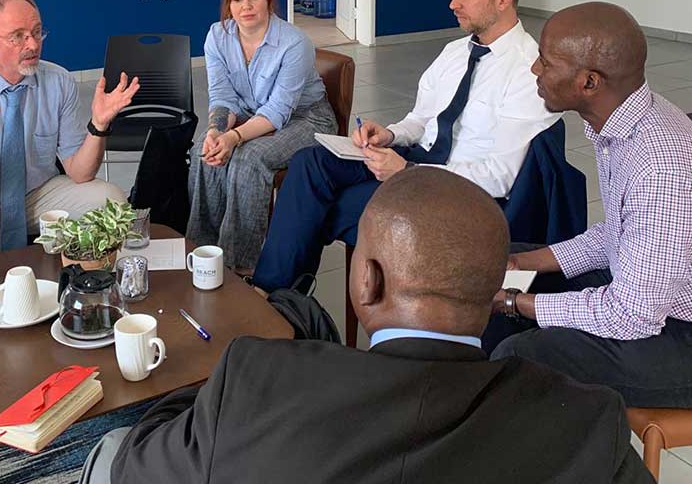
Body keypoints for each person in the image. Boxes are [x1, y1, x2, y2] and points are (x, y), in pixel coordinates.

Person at [78, 167, 650, 484]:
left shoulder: (255, 381)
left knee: (105, 452)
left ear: (364, 282)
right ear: (493, 291)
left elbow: (136, 463)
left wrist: (206, 392)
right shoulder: (589, 423)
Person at [252, 0, 558, 292]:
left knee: (326, 206)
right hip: (418, 160)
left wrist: (409, 174)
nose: (452, 4)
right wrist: (391, 135)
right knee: (310, 162)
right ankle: (278, 292)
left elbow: (499, 180)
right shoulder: (455, 52)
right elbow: (421, 118)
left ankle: (276, 297)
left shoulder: (527, 71)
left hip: (458, 193)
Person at [485, 1, 692, 408]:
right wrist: (526, 264)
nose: (534, 72)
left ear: (589, 82)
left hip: (676, 331)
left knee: (519, 358)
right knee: (503, 262)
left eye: (545, 63)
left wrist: (516, 302)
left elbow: (633, 314)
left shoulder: (659, 165)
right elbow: (616, 234)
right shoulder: (619, 125)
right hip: (647, 296)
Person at [0, 0, 140, 249]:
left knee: (111, 201)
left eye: (37, 32)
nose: (33, 45)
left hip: (37, 196)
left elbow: (80, 173)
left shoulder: (59, 81)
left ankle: (91, 281)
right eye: (18, 36)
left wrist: (99, 125)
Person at [186, 0, 337, 269]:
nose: (246, 6)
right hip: (252, 115)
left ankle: (239, 267)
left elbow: (278, 111)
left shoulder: (294, 43)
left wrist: (235, 136)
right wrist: (217, 131)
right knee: (206, 148)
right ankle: (204, 254)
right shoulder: (217, 36)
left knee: (247, 158)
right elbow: (223, 97)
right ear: (228, 3)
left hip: (308, 120)